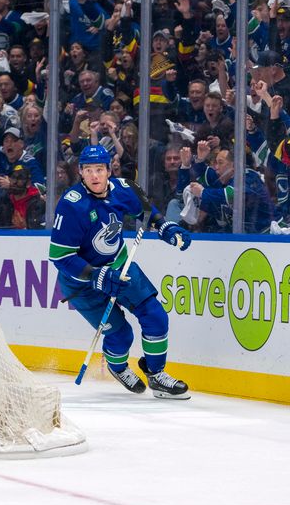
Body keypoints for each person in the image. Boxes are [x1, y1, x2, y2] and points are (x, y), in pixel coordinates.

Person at [49, 145, 192, 400]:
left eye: (100, 170)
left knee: (156, 316)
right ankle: (117, 367)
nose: (94, 176)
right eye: (89, 170)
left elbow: (147, 212)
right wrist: (96, 276)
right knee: (121, 334)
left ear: (108, 171)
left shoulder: (123, 189)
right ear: (81, 172)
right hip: (82, 284)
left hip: (120, 266)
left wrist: (166, 227)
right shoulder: (72, 205)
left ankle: (157, 375)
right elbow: (60, 257)